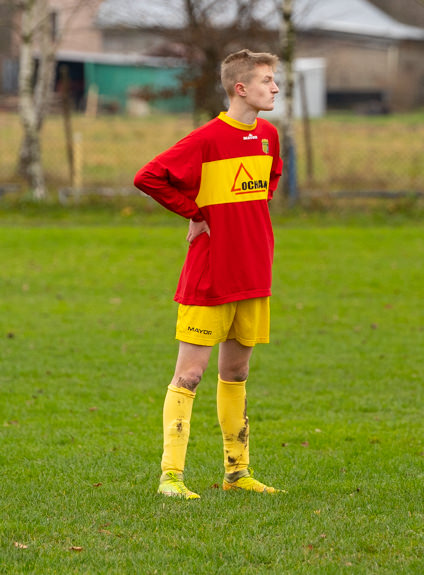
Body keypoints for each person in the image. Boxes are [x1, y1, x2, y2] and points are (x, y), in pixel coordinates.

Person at [134, 49, 284, 499]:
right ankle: (171, 477)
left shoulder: (271, 136)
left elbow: (270, 181)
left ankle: (237, 473)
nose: (274, 88)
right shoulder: (206, 138)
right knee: (190, 375)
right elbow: (149, 176)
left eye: (275, 80)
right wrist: (195, 211)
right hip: (209, 276)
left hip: (254, 273)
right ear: (241, 88)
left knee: (236, 373)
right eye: (266, 80)